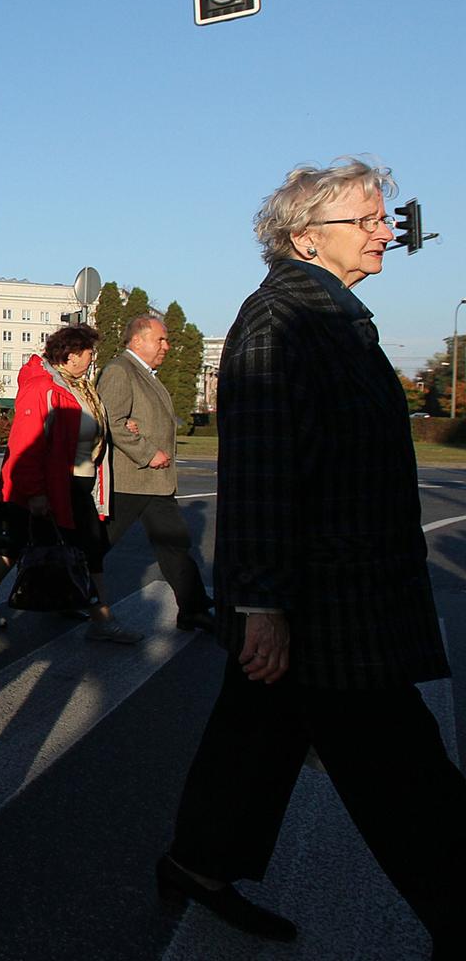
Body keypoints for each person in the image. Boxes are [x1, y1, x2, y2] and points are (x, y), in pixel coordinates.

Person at [160, 158, 465, 953]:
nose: (383, 232)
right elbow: (258, 472)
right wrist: (258, 604)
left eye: (381, 218)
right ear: (304, 238)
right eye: (363, 221)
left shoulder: (332, 315)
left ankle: (197, 862)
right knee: (407, 777)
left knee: (254, 734)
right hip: (330, 598)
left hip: (338, 582)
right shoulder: (280, 322)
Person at [0, 324, 143, 644]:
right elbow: (26, 442)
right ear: (73, 354)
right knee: (14, 547)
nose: (93, 358)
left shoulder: (78, 385)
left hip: (74, 484)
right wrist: (36, 491)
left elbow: (91, 424)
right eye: (90, 352)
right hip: (45, 486)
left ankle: (87, 611)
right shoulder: (43, 387)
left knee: (84, 549)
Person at [97, 313, 216, 633]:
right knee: (96, 545)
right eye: (160, 339)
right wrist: (149, 454)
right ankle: (65, 592)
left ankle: (193, 607)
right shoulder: (121, 371)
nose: (167, 346)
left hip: (154, 484)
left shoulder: (146, 374)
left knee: (175, 544)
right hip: (129, 480)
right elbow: (113, 423)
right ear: (138, 340)